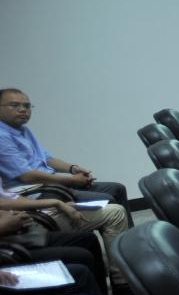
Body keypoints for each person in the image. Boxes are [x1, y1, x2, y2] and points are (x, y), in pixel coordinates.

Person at [0, 88, 130, 216]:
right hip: (36, 192)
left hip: (52, 185)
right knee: (107, 199)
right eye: (14, 105)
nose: (23, 110)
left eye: (27, 106)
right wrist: (71, 181)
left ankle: (130, 231)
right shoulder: (2, 136)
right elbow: (26, 176)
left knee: (117, 189)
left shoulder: (24, 130)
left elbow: (48, 159)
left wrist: (73, 169)